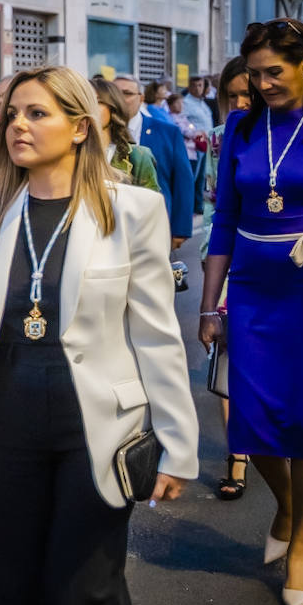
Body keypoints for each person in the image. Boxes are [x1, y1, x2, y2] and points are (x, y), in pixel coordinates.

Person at [0, 65, 198, 605]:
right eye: (12, 113)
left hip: (97, 430)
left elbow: (157, 335)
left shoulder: (133, 210)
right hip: (7, 427)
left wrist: (177, 443)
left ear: (81, 127)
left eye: (36, 113)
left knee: (82, 603)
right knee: (19, 599)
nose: (17, 125)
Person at [202, 18, 303, 605]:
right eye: (255, 73)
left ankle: (302, 545)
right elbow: (223, 219)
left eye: (275, 70)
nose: (264, 82)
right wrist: (208, 302)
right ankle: (289, 506)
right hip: (249, 289)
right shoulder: (241, 128)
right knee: (252, 416)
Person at [201, 56, 252, 501]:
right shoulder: (220, 139)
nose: (238, 103)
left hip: (286, 264)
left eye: (246, 94)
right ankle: (237, 454)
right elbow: (215, 204)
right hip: (228, 259)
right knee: (228, 356)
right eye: (230, 95)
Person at [113, 74, 194, 247]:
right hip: (112, 228)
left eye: (127, 93)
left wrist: (180, 229)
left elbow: (183, 181)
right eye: (114, 93)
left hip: (154, 226)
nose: (119, 99)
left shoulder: (167, 132)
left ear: (141, 98)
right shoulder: (98, 133)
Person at [89, 79, 161, 191]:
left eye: (98, 101)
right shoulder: (71, 154)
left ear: (114, 106)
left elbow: (149, 205)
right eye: (84, 102)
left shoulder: (138, 157)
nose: (90, 108)